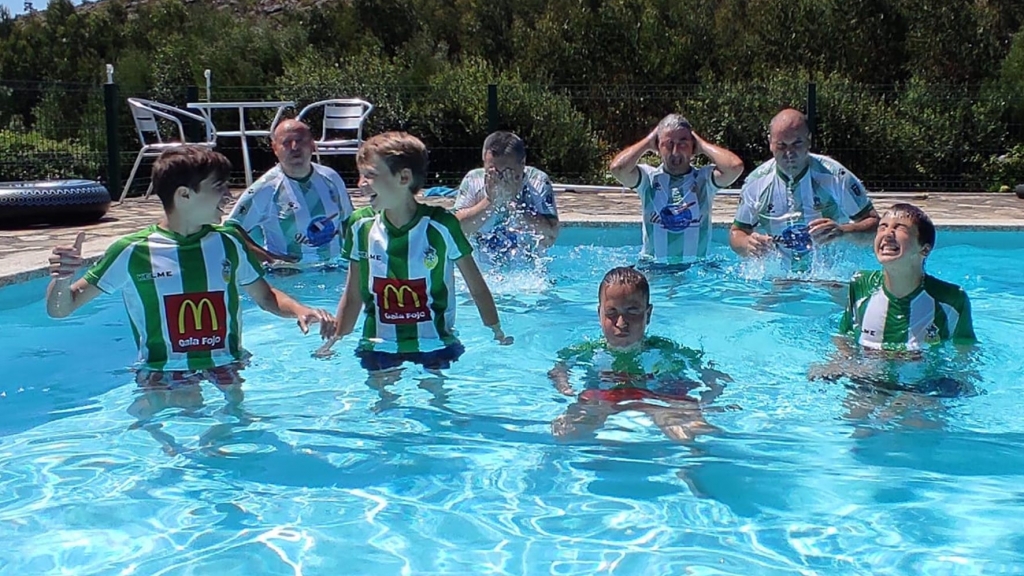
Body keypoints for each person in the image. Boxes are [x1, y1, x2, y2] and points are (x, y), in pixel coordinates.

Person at [46, 146, 335, 395]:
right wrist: (61, 279)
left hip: (227, 366)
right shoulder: (133, 250)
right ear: (184, 195)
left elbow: (265, 296)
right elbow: (62, 308)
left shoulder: (228, 243)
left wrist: (299, 309)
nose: (227, 196)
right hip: (162, 374)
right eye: (217, 187)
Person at [318, 131, 512, 375]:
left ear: (404, 177)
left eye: (370, 175)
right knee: (381, 406)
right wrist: (336, 339)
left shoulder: (441, 226)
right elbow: (354, 293)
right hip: (379, 344)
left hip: (436, 342)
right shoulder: (360, 226)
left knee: (438, 403)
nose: (361, 184)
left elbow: (477, 286)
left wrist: (496, 331)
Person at [810, 203, 978, 397]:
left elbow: (965, 349)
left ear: (924, 249)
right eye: (883, 227)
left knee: (910, 419)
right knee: (858, 423)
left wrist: (961, 380)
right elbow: (845, 336)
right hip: (868, 380)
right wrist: (838, 362)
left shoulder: (951, 299)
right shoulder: (861, 285)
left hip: (924, 387)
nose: (887, 234)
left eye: (900, 228)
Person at [549, 267, 731, 441]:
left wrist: (711, 386)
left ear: (648, 314)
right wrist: (564, 386)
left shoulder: (663, 349)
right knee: (566, 431)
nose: (621, 322)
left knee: (690, 432)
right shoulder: (588, 350)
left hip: (658, 394)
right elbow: (560, 368)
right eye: (612, 312)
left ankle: (694, 463)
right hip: (605, 395)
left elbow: (702, 367)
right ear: (599, 314)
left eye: (632, 311)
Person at [730, 108, 879, 266]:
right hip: (779, 279)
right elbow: (737, 233)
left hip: (828, 277)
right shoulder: (756, 182)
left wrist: (843, 231)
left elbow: (876, 226)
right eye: (781, 145)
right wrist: (747, 243)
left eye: (797, 144)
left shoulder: (835, 176)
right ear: (770, 144)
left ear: (809, 141)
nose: (789, 153)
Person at [609, 114, 744, 266]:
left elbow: (735, 167)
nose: (675, 151)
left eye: (683, 143)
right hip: (655, 268)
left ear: (693, 147)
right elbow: (617, 169)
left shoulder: (704, 179)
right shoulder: (648, 179)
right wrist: (648, 142)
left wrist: (702, 145)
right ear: (658, 146)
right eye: (668, 143)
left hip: (696, 270)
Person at [225, 119, 354, 269]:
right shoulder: (266, 188)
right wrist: (273, 260)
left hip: (334, 269)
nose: (294, 147)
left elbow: (348, 222)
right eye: (286, 143)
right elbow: (232, 229)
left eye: (300, 141)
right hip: (291, 276)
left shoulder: (331, 178)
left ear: (312, 145)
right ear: (275, 148)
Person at [453, 131, 559, 263]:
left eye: (507, 172)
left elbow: (550, 236)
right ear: (484, 162)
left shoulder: (537, 182)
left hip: (527, 274)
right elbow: (454, 232)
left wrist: (515, 202)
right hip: (485, 273)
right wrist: (490, 201)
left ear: (522, 163)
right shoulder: (473, 180)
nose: (500, 179)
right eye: (493, 171)